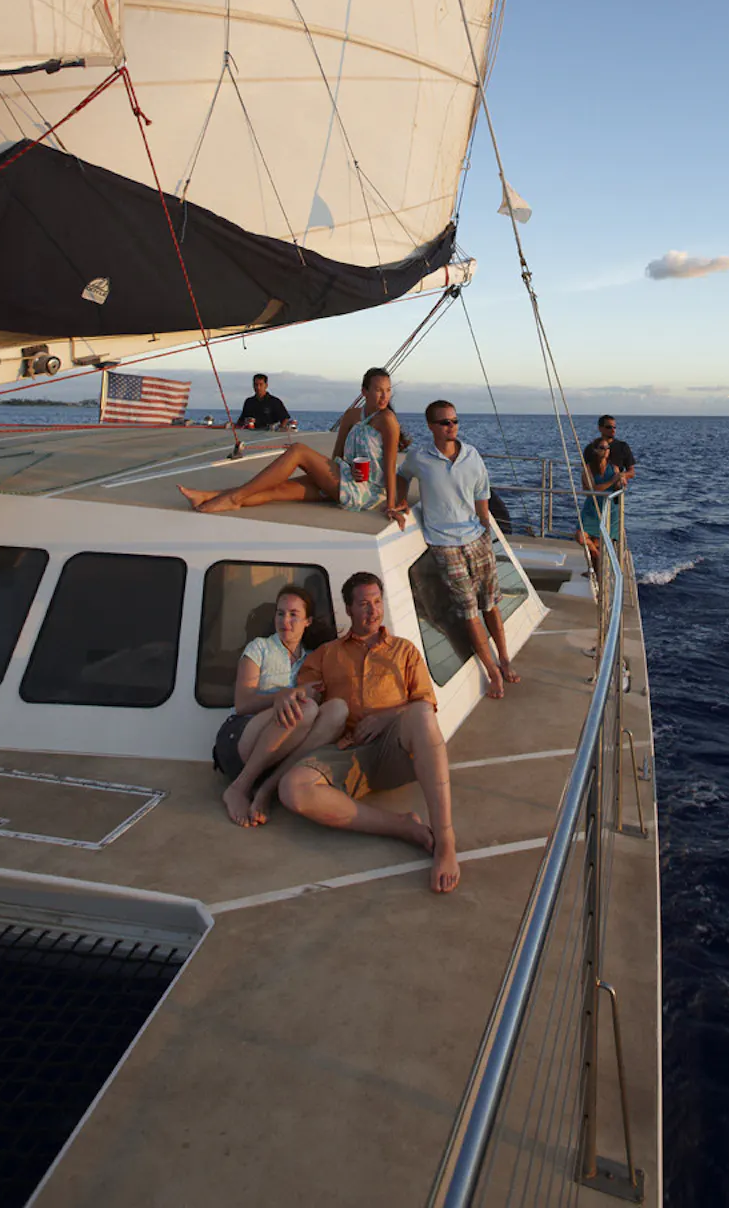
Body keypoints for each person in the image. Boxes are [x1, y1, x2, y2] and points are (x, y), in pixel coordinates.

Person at [278, 572, 461, 893]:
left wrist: (387, 717)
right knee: (292, 789)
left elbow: (426, 703)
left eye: (377, 602)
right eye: (364, 604)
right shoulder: (327, 654)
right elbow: (307, 696)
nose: (373, 611)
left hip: (395, 751)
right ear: (348, 609)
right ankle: (402, 827)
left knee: (418, 713)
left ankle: (445, 840)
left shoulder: (404, 651)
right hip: (347, 751)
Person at [180, 367, 408, 527]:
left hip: (365, 490)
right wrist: (324, 481)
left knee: (298, 450)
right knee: (276, 490)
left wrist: (390, 506)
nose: (384, 396)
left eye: (388, 390)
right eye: (379, 390)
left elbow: (390, 468)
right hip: (342, 477)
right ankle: (208, 496)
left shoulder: (388, 421)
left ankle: (232, 499)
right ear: (364, 392)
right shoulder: (351, 416)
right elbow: (336, 456)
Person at [401, 401, 520, 700]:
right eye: (444, 422)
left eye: (454, 421)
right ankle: (493, 672)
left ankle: (504, 659)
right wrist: (399, 502)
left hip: (476, 539)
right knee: (469, 612)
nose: (451, 426)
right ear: (431, 426)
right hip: (445, 545)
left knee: (490, 603)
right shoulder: (420, 458)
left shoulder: (471, 455)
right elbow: (403, 476)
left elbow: (483, 491)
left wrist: (483, 526)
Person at [212, 586, 347, 827]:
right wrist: (284, 695)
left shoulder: (314, 658)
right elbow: (243, 704)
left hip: (279, 756)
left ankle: (267, 787)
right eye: (280, 613)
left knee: (338, 709)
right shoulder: (259, 648)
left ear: (307, 622)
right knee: (305, 709)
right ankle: (238, 787)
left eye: (294, 614)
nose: (285, 620)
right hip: (241, 740)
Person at [577, 436, 625, 570]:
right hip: (592, 509)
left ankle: (595, 574)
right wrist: (611, 481)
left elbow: (617, 488)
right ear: (595, 450)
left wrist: (620, 482)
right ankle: (598, 558)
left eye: (607, 448)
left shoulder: (614, 468)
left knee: (597, 543)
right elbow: (592, 489)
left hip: (608, 510)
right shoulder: (588, 469)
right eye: (602, 448)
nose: (606, 451)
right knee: (581, 538)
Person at [597, 415, 635, 481]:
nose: (613, 430)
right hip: (596, 489)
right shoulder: (591, 447)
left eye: (614, 427)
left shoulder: (623, 446)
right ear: (600, 428)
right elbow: (586, 471)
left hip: (616, 487)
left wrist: (622, 475)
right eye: (609, 427)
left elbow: (631, 472)